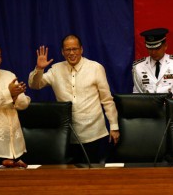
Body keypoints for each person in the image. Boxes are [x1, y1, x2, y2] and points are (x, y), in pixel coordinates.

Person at [28, 34, 120, 163]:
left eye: (75, 49)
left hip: (95, 134)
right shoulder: (56, 69)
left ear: (81, 50)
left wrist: (114, 126)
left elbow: (107, 100)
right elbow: (34, 85)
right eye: (68, 50)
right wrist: (39, 69)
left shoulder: (95, 68)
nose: (71, 53)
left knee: (95, 176)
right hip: (67, 137)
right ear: (62, 52)